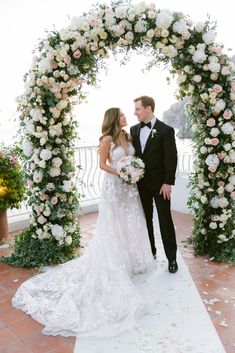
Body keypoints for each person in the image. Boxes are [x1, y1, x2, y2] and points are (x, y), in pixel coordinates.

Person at [12, 108, 155, 338]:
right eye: (122, 115)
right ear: (114, 119)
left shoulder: (127, 137)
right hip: (114, 186)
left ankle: (131, 260)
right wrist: (121, 172)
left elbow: (134, 159)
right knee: (113, 224)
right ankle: (115, 261)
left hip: (129, 189)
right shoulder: (107, 139)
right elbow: (102, 165)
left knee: (130, 222)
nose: (126, 117)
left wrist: (133, 171)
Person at [130, 96, 178, 273]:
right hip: (140, 184)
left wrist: (167, 182)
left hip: (160, 185)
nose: (135, 112)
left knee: (165, 220)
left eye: (138, 109)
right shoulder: (134, 130)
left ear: (148, 108)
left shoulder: (166, 131)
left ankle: (172, 258)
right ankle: (151, 253)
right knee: (145, 220)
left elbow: (171, 159)